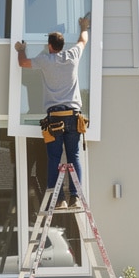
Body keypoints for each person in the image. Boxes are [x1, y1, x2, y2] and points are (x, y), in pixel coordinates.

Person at [16, 14, 90, 208]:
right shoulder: (73, 54)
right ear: (63, 44)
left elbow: (23, 63)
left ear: (49, 46)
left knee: (54, 158)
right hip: (73, 116)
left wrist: (20, 49)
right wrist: (84, 26)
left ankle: (59, 200)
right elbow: (83, 40)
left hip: (55, 118)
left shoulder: (45, 60)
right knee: (73, 157)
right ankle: (75, 197)